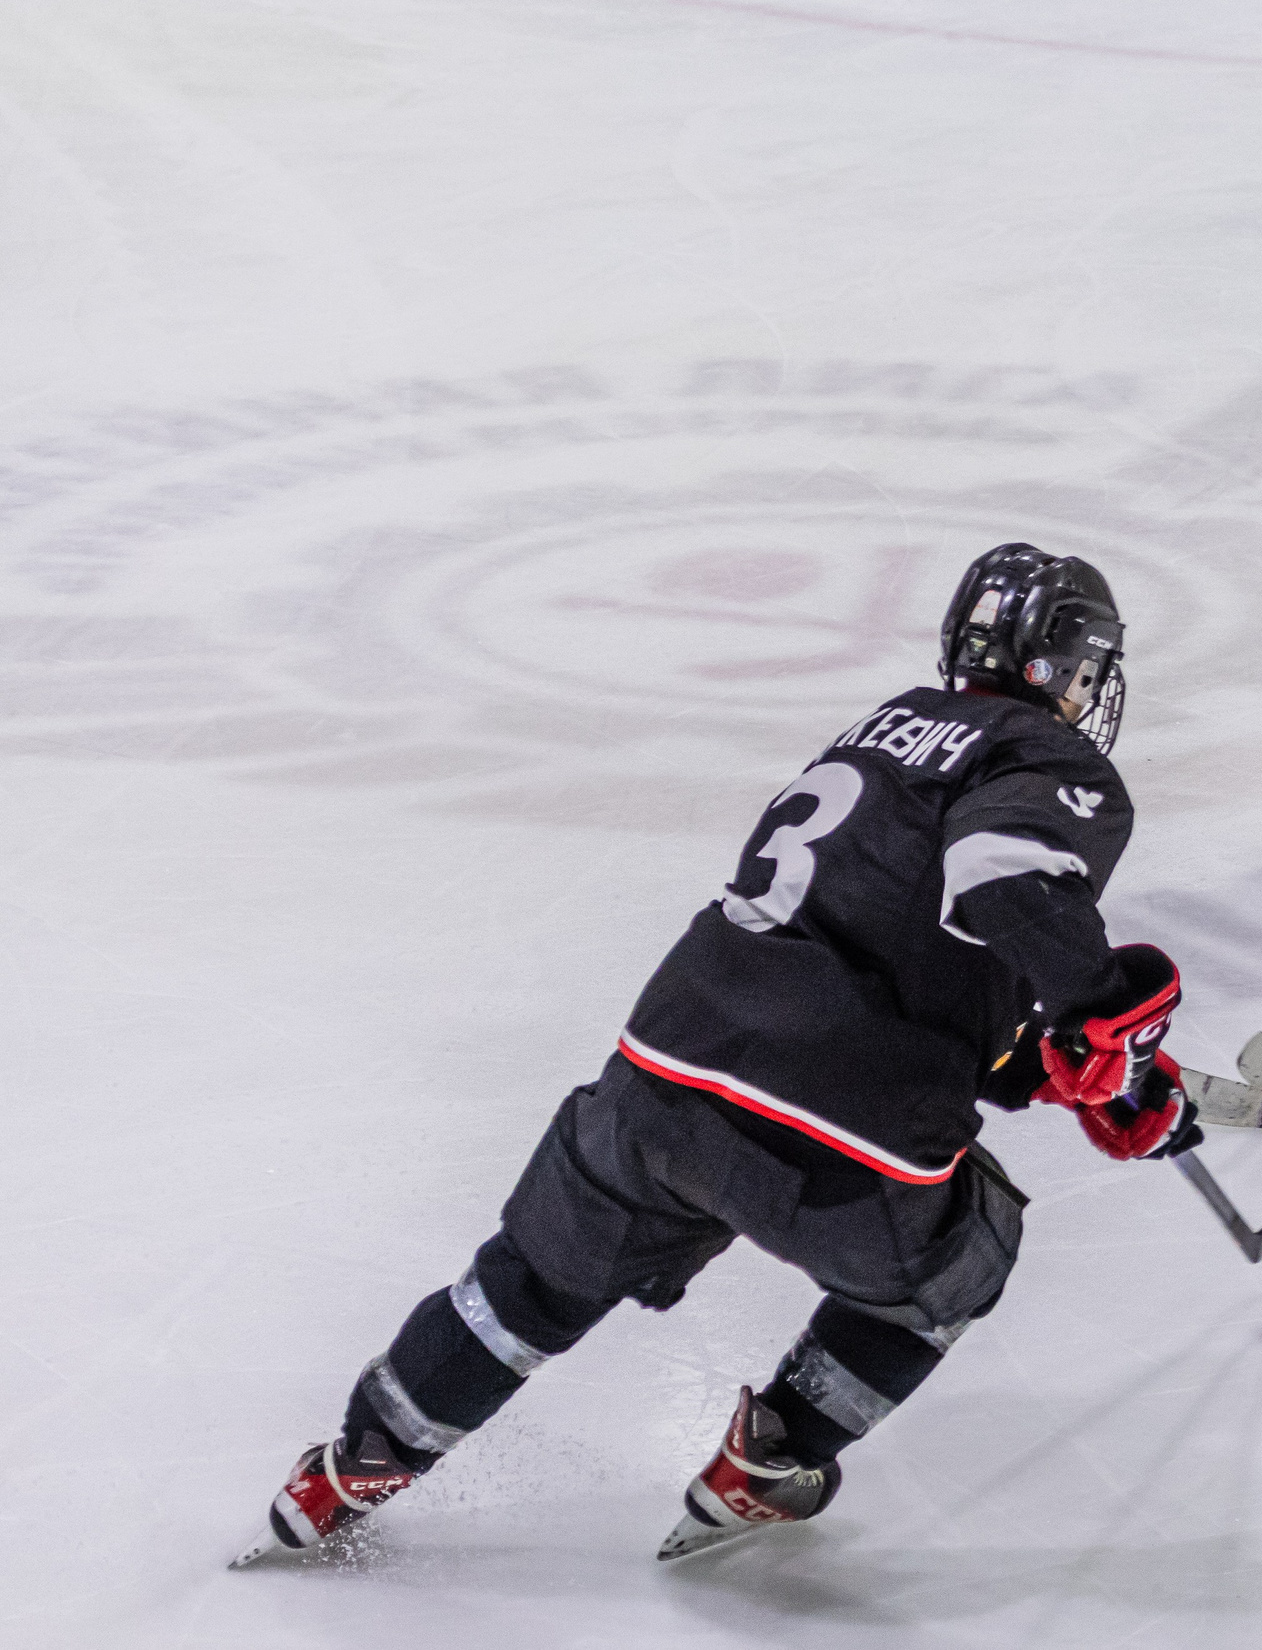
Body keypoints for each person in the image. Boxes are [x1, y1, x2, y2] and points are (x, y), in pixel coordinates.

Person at [233, 542, 1201, 1567]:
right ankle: (769, 1461)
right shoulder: (1047, 757)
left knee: (535, 1280)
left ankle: (348, 1471)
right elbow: (1000, 878)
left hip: (665, 1068)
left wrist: (1044, 1063)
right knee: (964, 1253)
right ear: (1060, 669)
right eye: (1089, 669)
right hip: (838, 1127)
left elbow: (905, 937)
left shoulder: (884, 730)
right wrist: (1110, 1024)